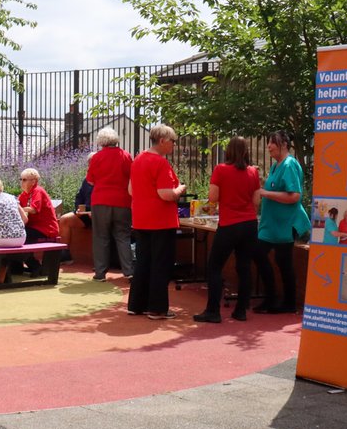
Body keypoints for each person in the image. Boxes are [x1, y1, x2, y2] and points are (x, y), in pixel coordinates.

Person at [194, 137, 261, 323]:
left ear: (228, 151)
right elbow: (256, 201)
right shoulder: (253, 172)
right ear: (246, 151)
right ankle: (241, 311)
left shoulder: (221, 169)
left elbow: (213, 197)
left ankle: (213, 311)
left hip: (229, 224)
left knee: (214, 266)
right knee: (244, 267)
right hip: (249, 224)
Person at [127, 124, 186, 320]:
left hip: (141, 219)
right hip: (161, 221)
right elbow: (166, 194)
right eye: (172, 141)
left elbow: (130, 190)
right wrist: (180, 189)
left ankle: (136, 305)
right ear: (162, 141)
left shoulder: (137, 160)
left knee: (143, 262)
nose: (174, 145)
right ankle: (157, 308)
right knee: (161, 264)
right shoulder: (160, 163)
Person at [254, 130, 310, 314]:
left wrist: (265, 193)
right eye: (269, 143)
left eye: (272, 143)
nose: (268, 146)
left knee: (281, 260)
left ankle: (286, 302)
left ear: (284, 144)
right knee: (265, 256)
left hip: (286, 224)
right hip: (272, 225)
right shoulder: (276, 166)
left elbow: (294, 196)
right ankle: (274, 299)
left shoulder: (289, 165)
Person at [86, 126, 134, 280]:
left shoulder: (97, 157)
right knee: (123, 236)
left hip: (100, 201)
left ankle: (100, 273)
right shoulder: (126, 156)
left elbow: (90, 180)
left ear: (101, 141)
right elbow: (132, 178)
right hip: (123, 201)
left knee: (101, 237)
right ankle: (128, 271)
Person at [17, 168, 60, 276]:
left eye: (24, 180)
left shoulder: (38, 191)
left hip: (46, 228)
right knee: (15, 234)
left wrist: (20, 208)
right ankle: (16, 267)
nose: (21, 182)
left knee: (19, 235)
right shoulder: (24, 195)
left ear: (33, 181)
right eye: (21, 179)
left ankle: (35, 266)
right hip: (32, 227)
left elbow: (34, 209)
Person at [56, 177, 93, 266]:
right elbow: (79, 196)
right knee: (65, 219)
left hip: (100, 213)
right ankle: (65, 255)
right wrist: (77, 210)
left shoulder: (105, 178)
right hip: (84, 213)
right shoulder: (87, 180)